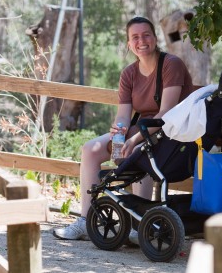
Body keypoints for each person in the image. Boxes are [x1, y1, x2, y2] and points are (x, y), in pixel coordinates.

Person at [52, 16, 194, 241]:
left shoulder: (171, 64)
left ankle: (140, 226)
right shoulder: (129, 73)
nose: (141, 41)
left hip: (170, 134)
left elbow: (166, 113)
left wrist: (134, 140)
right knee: (90, 149)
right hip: (139, 132)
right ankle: (87, 221)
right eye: (135, 37)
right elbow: (123, 115)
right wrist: (119, 133)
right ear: (129, 44)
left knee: (140, 152)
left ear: (155, 38)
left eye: (146, 35)